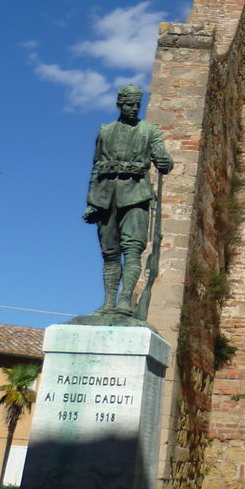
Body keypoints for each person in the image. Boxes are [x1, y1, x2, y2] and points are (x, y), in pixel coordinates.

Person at [84, 85, 173, 316]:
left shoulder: (149, 130)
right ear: (119, 104)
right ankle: (108, 302)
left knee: (132, 249)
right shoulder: (105, 131)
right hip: (106, 197)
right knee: (110, 253)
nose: (134, 109)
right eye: (129, 104)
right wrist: (91, 202)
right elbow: (96, 167)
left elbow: (162, 156)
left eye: (137, 105)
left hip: (136, 195)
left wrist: (165, 162)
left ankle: (125, 300)